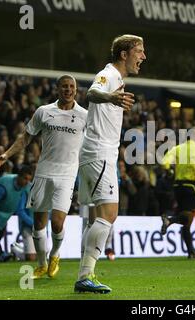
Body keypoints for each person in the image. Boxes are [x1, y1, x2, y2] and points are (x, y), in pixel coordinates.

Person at [0, 75, 87, 278]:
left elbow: (94, 142)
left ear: (76, 90)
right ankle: (42, 263)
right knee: (38, 223)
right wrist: (7, 154)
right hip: (44, 172)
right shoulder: (44, 112)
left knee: (57, 222)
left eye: (72, 87)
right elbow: (26, 137)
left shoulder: (84, 115)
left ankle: (54, 255)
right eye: (64, 86)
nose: (68, 90)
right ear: (57, 89)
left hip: (67, 174)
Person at [74, 34, 146, 294]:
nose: (143, 56)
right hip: (99, 153)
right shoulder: (108, 74)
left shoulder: (119, 79)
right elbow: (92, 93)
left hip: (98, 153)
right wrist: (111, 98)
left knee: (96, 216)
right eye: (139, 51)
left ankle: (85, 274)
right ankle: (84, 276)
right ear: (124, 54)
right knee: (109, 215)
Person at [160, 127, 195, 259]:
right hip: (191, 186)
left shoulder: (177, 148)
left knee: (187, 221)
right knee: (187, 218)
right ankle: (169, 220)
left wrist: (170, 172)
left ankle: (191, 252)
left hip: (177, 186)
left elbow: (164, 163)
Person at [0, 167, 33, 261]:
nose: (27, 182)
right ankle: (0, 254)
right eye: (25, 178)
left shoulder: (24, 187)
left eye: (29, 179)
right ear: (19, 176)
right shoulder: (4, 185)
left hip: (5, 213)